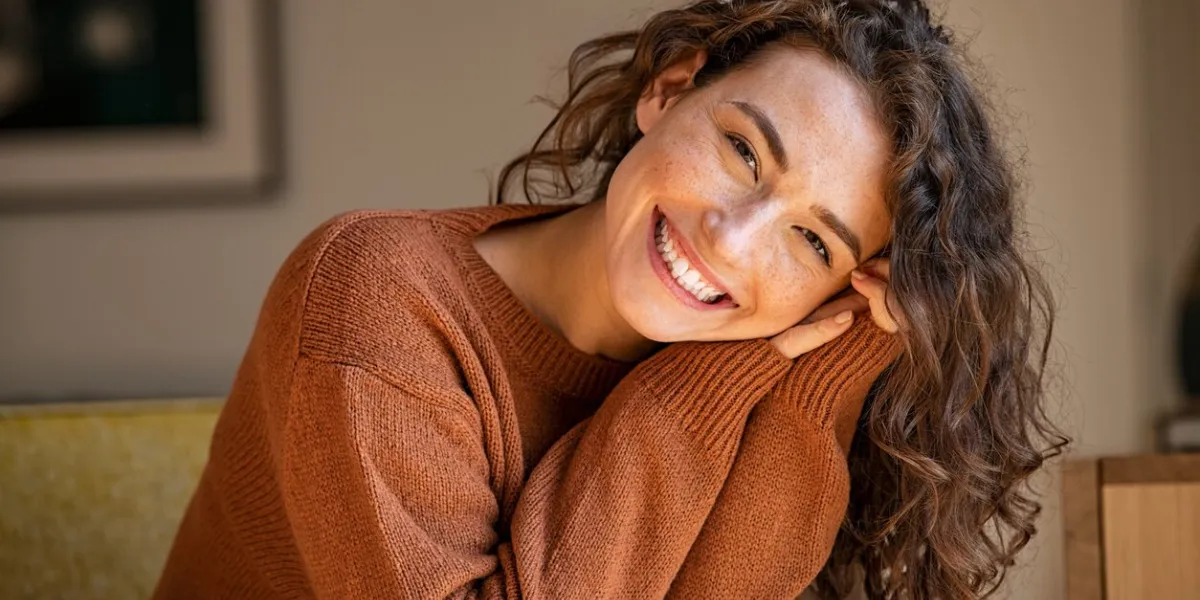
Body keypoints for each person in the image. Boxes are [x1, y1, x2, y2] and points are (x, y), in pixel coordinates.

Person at [154, 0, 1066, 598]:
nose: (732, 237)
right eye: (744, 151)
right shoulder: (376, 294)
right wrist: (682, 401)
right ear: (669, 92)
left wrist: (826, 369)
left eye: (813, 239)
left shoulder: (764, 369)